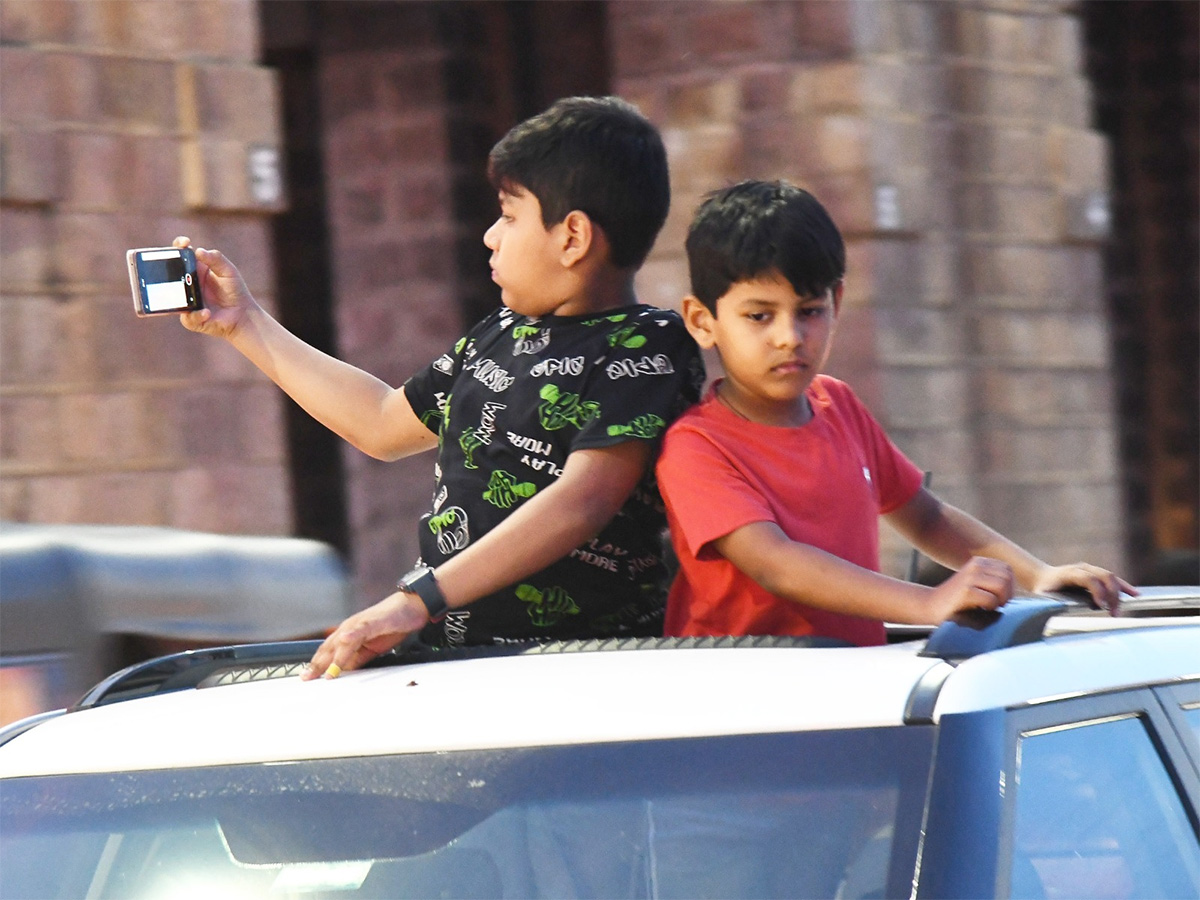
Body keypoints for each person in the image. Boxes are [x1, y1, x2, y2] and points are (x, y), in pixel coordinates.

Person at [175, 96, 705, 675]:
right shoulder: (498, 334)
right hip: (457, 666)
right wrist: (245, 322)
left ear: (572, 236)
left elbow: (583, 501)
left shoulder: (650, 344)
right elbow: (380, 422)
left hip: (587, 673)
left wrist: (415, 601)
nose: (490, 237)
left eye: (509, 215)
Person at [655, 179, 1133, 644]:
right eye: (760, 316)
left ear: (836, 302)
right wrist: (928, 604)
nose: (790, 337)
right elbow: (776, 564)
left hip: (855, 690)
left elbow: (923, 516)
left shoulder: (837, 404)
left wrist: (1037, 574)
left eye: (809, 310)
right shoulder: (697, 446)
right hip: (742, 697)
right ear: (703, 321)